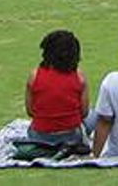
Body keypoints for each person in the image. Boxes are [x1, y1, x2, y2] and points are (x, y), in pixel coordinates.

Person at [18, 30, 90, 160]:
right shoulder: (79, 77)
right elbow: (84, 113)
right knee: (94, 117)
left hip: (39, 136)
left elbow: (30, 111)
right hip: (71, 135)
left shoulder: (34, 76)